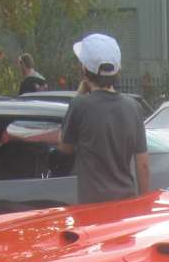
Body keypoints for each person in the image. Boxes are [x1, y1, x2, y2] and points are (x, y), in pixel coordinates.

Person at [58, 33, 149, 204]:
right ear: (118, 70)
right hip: (126, 203)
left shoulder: (80, 105)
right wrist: (143, 204)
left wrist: (80, 92)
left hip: (92, 206)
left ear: (84, 70)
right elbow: (142, 165)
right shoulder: (133, 107)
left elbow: (64, 147)